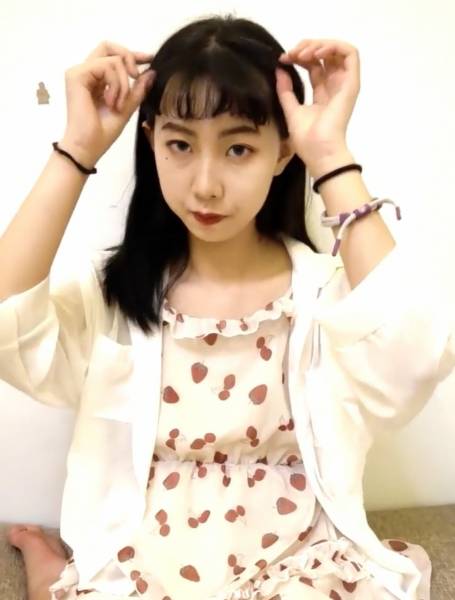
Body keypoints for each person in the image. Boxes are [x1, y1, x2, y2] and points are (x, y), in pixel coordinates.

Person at [1, 13, 453, 600]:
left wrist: (330, 156)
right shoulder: (113, 299)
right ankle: (51, 570)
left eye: (238, 147)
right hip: (143, 560)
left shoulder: (323, 295)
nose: (206, 184)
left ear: (282, 152)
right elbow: (8, 327)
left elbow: (419, 352)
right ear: (151, 142)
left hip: (296, 560)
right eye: (180, 145)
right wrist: (77, 149)